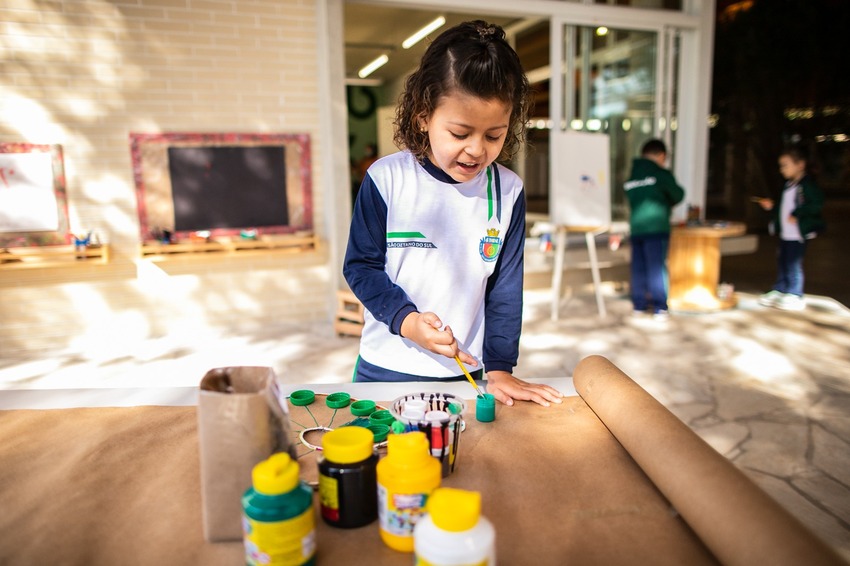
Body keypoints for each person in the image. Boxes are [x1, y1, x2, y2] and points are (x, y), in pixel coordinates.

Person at [342, 20, 562, 408]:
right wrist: (408, 322)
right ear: (423, 116)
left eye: (493, 135)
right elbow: (361, 266)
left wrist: (500, 368)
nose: (477, 150)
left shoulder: (508, 191)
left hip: (466, 373)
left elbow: (505, 290)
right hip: (384, 369)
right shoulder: (387, 178)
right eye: (460, 133)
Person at [755, 147, 826, 311]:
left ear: (800, 165)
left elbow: (816, 204)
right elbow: (783, 207)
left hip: (797, 234)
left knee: (793, 263)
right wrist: (772, 207)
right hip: (786, 233)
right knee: (782, 260)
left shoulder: (808, 186)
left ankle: (795, 293)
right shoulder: (788, 185)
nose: (782, 170)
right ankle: (781, 288)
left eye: (785, 165)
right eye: (781, 166)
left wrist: (798, 213)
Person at [623, 139, 685, 320]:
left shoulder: (633, 175)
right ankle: (659, 307)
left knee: (639, 267)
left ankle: (639, 305)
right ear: (661, 155)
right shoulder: (660, 174)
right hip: (656, 227)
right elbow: (678, 194)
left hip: (636, 227)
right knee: (656, 267)